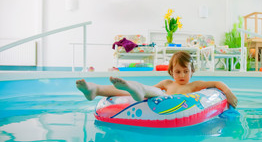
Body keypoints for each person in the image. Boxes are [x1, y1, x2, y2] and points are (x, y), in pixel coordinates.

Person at [76, 51, 238, 107]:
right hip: (156, 97)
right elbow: (150, 91)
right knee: (148, 89)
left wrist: (228, 92)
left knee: (156, 93)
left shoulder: (195, 86)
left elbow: (217, 83)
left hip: (170, 103)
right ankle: (95, 89)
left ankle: (135, 89)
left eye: (185, 71)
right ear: (171, 72)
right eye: (178, 71)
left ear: (192, 71)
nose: (182, 75)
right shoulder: (167, 83)